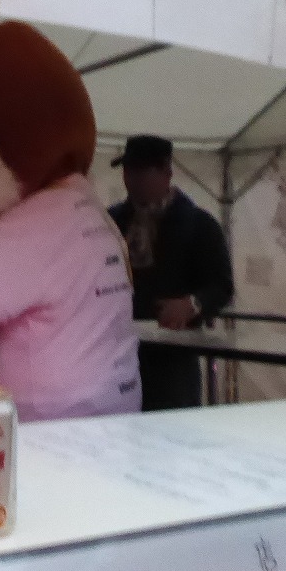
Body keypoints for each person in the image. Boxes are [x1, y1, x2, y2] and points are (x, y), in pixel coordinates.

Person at [107, 135, 234, 411]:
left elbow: (222, 287)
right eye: (128, 170)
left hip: (173, 363)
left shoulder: (199, 225)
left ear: (166, 171)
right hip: (116, 358)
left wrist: (192, 304)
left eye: (142, 171)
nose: (132, 179)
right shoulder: (111, 222)